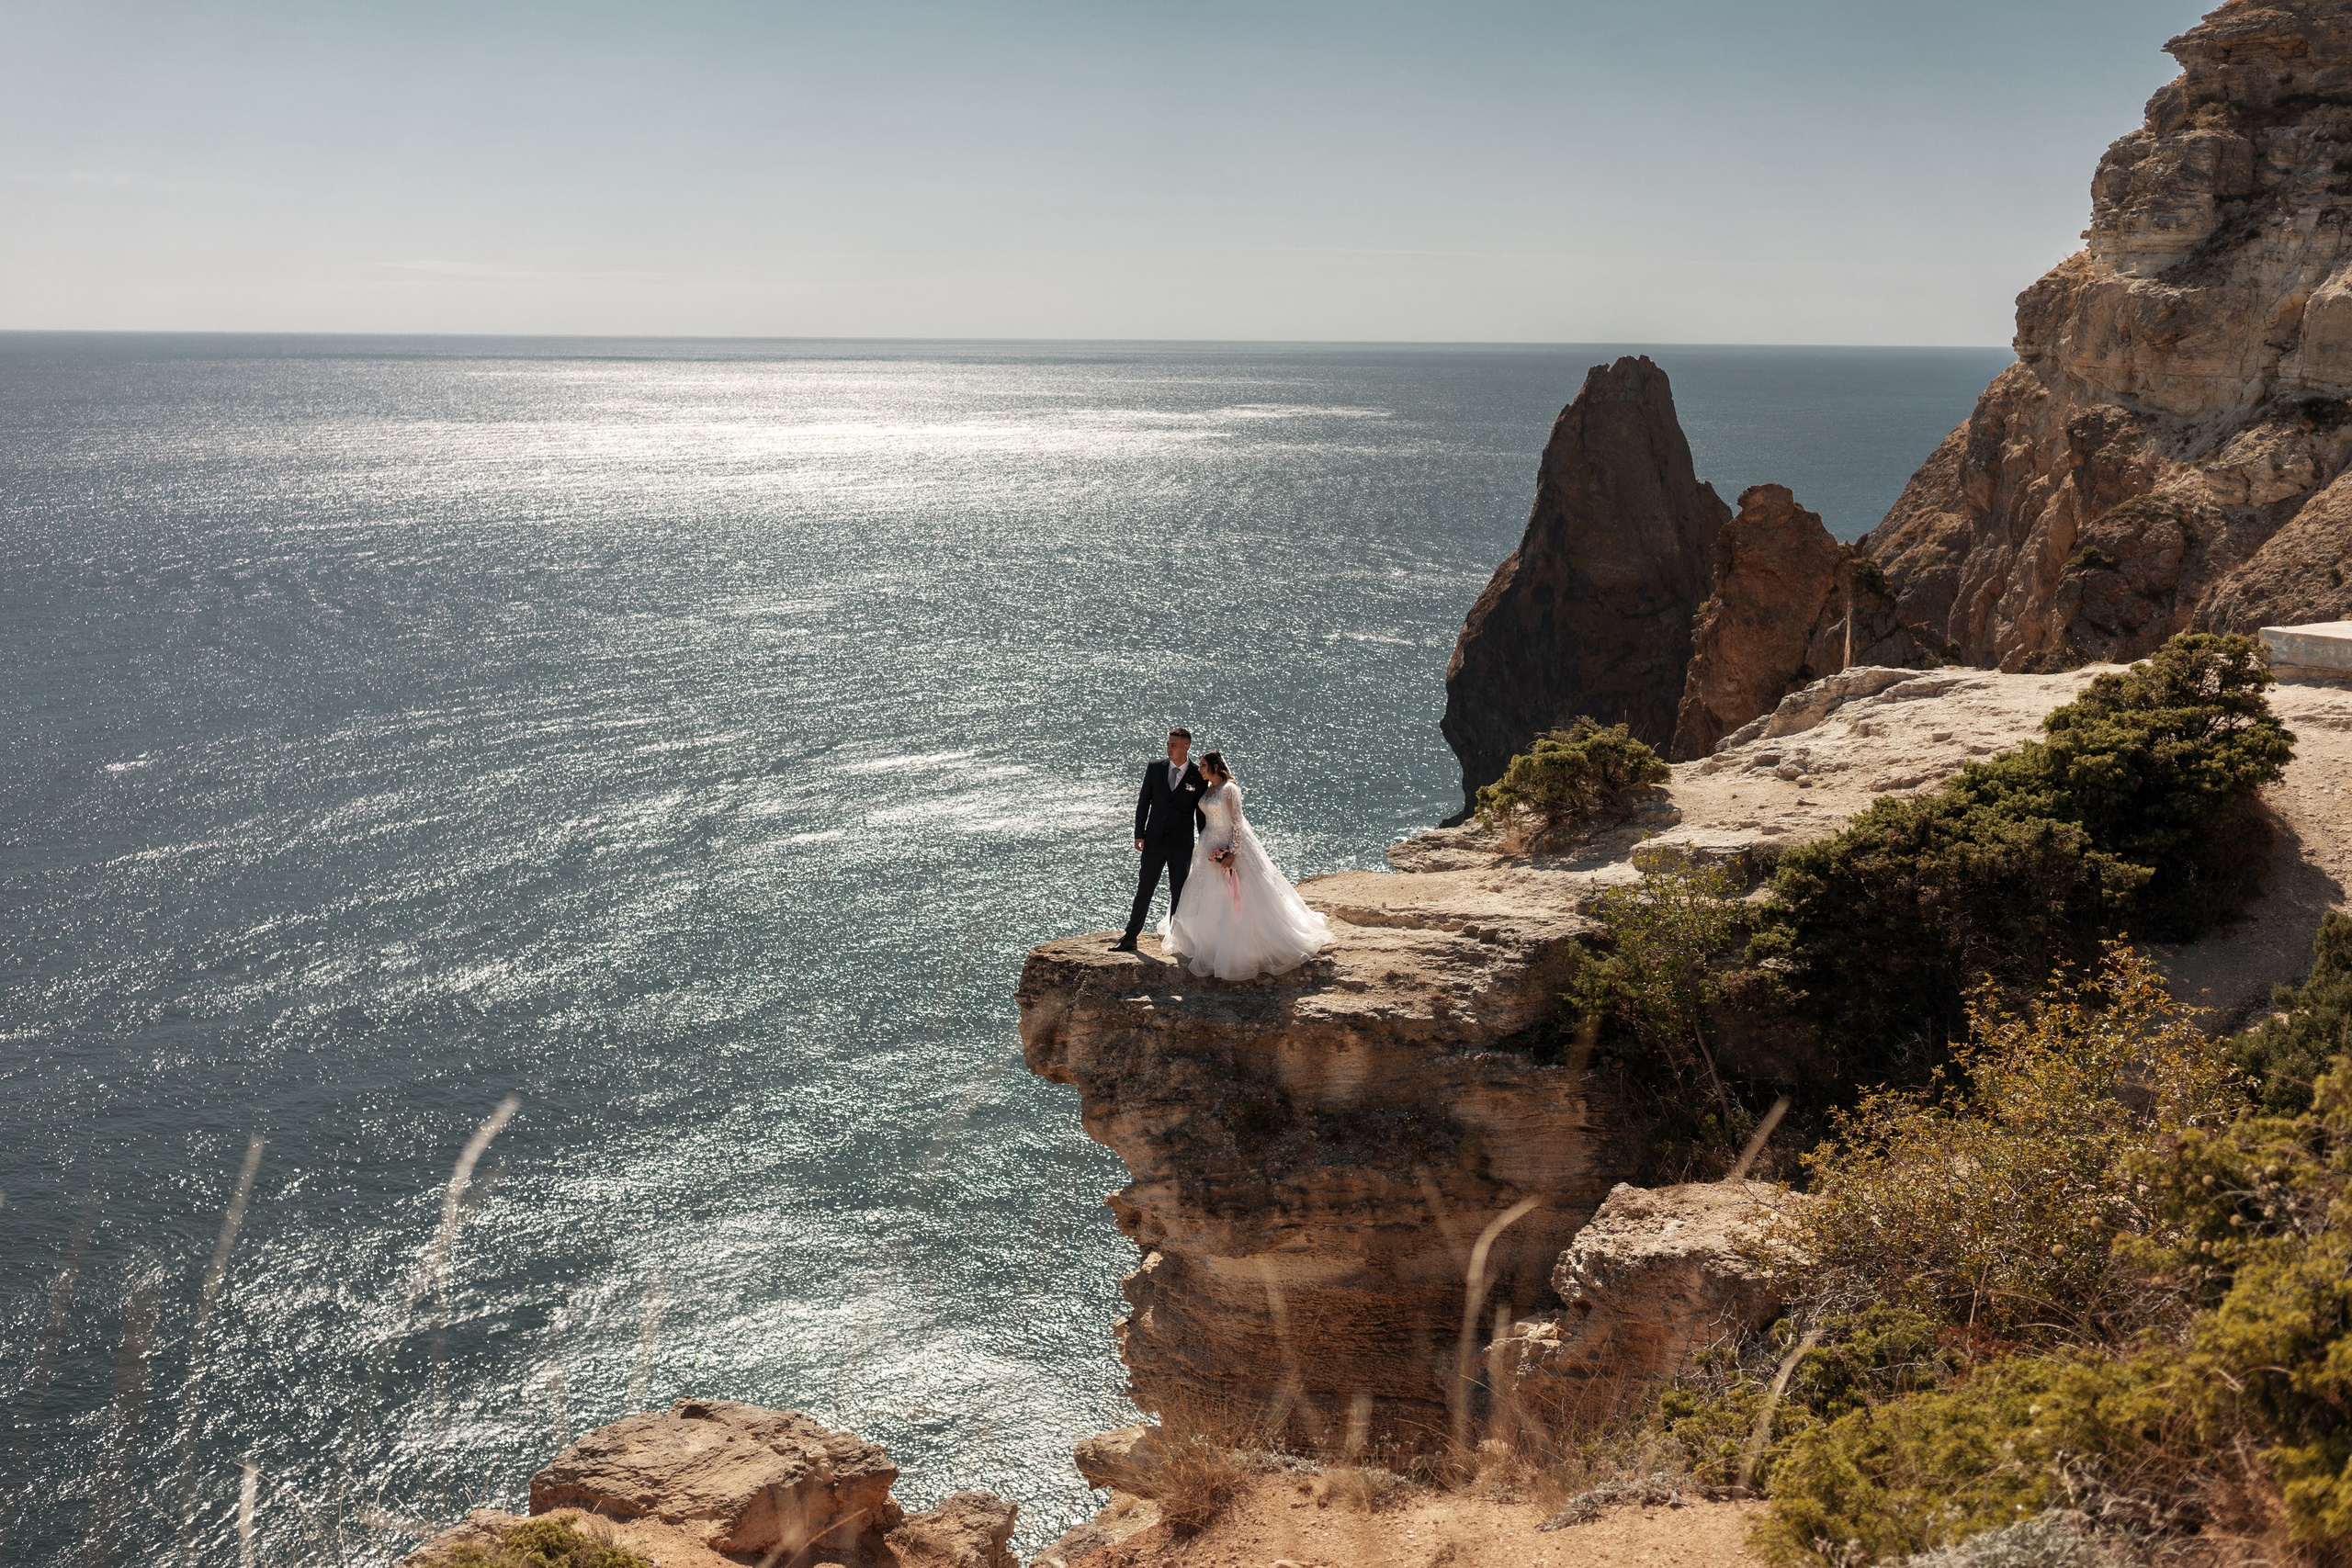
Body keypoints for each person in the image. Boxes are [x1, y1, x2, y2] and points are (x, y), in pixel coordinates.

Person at [1159, 750, 1333, 980]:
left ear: (1214, 766)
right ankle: (1209, 943)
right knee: (1207, 893)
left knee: (1233, 893)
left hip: (1226, 844)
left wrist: (1232, 852)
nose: (1199, 769)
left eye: (1202, 765)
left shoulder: (1229, 789)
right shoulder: (1209, 788)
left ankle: (1237, 945)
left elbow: (1237, 823)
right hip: (1207, 845)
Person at [1114, 728, 1206, 953]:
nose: (1169, 748)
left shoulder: (1197, 774)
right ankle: (1130, 937)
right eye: (1168, 744)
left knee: (1179, 892)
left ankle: (1177, 939)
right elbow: (1143, 802)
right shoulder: (1155, 768)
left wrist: (1205, 843)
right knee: (1144, 888)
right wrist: (1139, 833)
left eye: (1174, 745)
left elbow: (1200, 814)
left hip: (1181, 844)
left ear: (1187, 746)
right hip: (1153, 841)